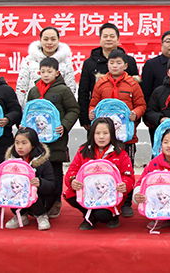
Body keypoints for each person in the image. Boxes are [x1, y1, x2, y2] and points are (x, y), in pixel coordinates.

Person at [88, 48, 146, 217]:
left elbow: (141, 105)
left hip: (126, 137)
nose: (115, 66)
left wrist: (136, 113)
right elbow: (93, 104)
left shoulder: (133, 84)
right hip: (104, 137)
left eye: (118, 63)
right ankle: (104, 199)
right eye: (111, 63)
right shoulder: (100, 83)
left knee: (126, 169)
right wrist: (91, 112)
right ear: (107, 65)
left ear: (125, 65)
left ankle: (126, 203)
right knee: (105, 167)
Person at [25, 57, 80, 219]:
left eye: (49, 71)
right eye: (43, 72)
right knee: (36, 168)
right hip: (37, 139)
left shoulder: (63, 90)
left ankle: (55, 202)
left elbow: (74, 110)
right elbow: (28, 111)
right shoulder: (34, 91)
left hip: (56, 138)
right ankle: (37, 200)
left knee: (55, 170)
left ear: (57, 73)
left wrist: (64, 125)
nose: (46, 75)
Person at [64, 117, 134, 230]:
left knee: (102, 215)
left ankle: (112, 215)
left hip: (109, 194)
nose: (101, 137)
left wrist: (124, 185)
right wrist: (73, 181)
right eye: (97, 133)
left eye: (105, 133)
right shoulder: (83, 151)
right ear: (92, 134)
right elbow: (72, 170)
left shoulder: (120, 153)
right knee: (70, 194)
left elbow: (129, 176)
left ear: (112, 134)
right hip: (89, 192)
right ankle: (90, 215)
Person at [78, 23, 140, 130]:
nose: (108, 39)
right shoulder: (90, 63)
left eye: (112, 36)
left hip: (124, 120)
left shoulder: (129, 61)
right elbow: (83, 92)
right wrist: (85, 118)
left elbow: (137, 93)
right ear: (100, 39)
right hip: (97, 118)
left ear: (118, 39)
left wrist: (136, 118)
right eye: (105, 36)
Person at [0, 128, 58, 230]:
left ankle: (41, 215)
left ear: (33, 144)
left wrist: (40, 183)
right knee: (10, 188)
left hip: (40, 199)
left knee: (31, 189)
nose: (20, 147)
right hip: (18, 194)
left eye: (24, 143)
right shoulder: (10, 162)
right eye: (17, 143)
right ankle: (20, 215)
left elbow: (53, 185)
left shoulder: (42, 161)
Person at [16, 26, 77, 108]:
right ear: (40, 40)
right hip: (33, 109)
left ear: (58, 40)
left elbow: (70, 88)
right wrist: (22, 110)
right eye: (45, 39)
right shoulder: (29, 60)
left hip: (58, 110)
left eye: (53, 39)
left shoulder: (66, 62)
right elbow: (21, 87)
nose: (49, 42)